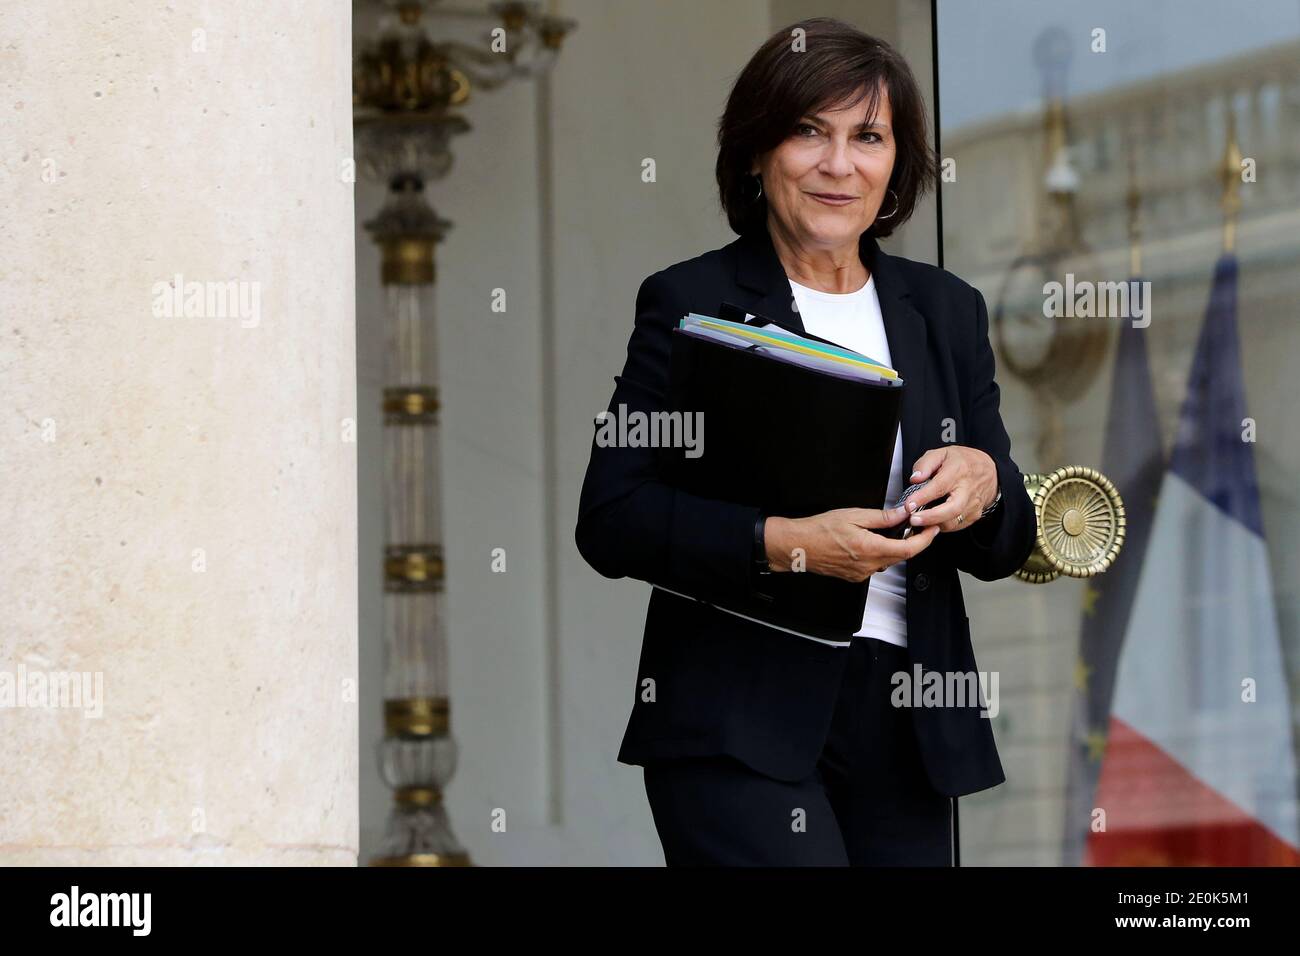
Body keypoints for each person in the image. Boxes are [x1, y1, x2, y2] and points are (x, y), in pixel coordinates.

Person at [575, 17, 1037, 866]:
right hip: (736, 718)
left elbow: (1004, 544)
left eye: (868, 136)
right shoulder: (690, 301)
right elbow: (611, 516)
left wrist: (988, 481)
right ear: (757, 153)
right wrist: (785, 546)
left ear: (897, 162)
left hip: (909, 720)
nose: (838, 164)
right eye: (807, 132)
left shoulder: (946, 311)